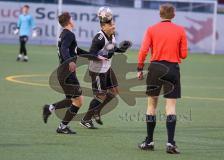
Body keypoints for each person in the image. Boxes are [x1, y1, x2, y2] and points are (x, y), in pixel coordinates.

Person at [137, 3, 188, 154]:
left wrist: (140, 68)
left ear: (160, 14)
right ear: (173, 15)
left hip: (155, 68)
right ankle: (170, 143)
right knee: (171, 107)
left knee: (151, 105)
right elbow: (184, 55)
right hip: (172, 68)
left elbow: (144, 50)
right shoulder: (180, 30)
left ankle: (149, 141)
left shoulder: (151, 29)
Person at [42, 12, 102, 134]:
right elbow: (64, 49)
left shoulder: (64, 34)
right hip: (67, 73)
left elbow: (76, 50)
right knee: (78, 101)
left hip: (65, 73)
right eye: (72, 18)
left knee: (72, 100)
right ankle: (61, 125)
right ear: (69, 21)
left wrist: (94, 57)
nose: (73, 20)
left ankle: (51, 110)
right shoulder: (69, 34)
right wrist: (70, 62)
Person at [79, 7, 132, 129]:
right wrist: (101, 57)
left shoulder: (112, 34)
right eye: (110, 25)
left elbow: (111, 49)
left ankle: (97, 111)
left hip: (107, 68)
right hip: (97, 70)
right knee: (100, 95)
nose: (113, 26)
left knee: (114, 92)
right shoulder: (99, 38)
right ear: (103, 27)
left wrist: (122, 49)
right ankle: (85, 120)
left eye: (113, 24)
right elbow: (91, 55)